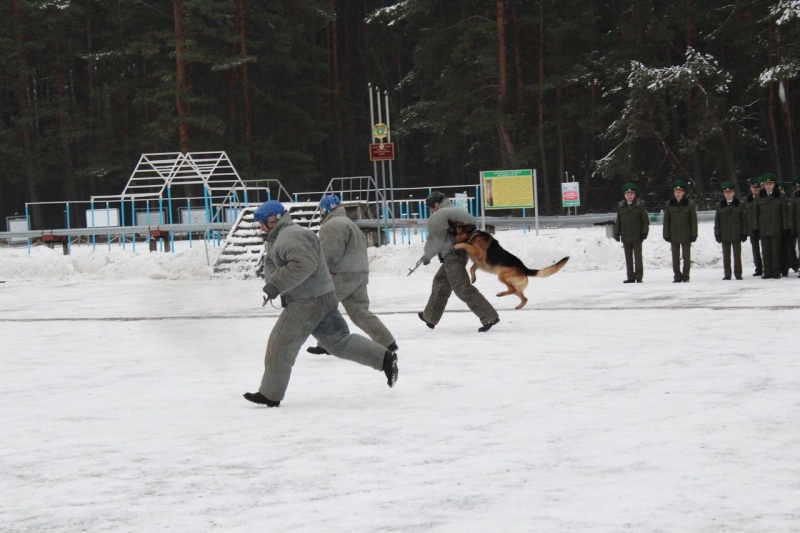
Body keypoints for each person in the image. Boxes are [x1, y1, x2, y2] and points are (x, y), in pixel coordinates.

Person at [243, 200, 398, 408]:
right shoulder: (276, 239)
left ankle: (270, 394)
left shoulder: (291, 235)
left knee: (280, 344)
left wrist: (277, 284)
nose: (261, 227)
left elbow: (304, 264)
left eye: (263, 222)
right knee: (338, 342)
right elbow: (271, 262)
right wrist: (273, 282)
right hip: (321, 296)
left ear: (275, 219)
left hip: (307, 301)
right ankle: (385, 359)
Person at [306, 194, 397, 355]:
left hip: (342, 275)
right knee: (359, 312)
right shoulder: (350, 224)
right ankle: (387, 342)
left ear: (325, 210)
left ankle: (328, 343)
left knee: (322, 307)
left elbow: (329, 255)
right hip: (359, 273)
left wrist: (316, 272)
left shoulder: (332, 225)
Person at [417, 191, 500, 332]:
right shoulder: (459, 211)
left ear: (436, 204)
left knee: (462, 287)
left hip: (452, 255)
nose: (431, 210)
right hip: (462, 252)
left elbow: (435, 240)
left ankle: (489, 316)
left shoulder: (438, 216)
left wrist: (427, 256)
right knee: (440, 282)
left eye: (431, 207)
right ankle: (430, 317)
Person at [753, 173, 788, 280]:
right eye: (767, 184)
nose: (768, 186)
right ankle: (767, 272)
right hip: (763, 228)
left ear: (774, 184)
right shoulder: (759, 197)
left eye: (771, 184)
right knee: (766, 251)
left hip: (776, 228)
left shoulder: (780, 196)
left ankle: (776, 271)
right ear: (764, 184)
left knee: (776, 251)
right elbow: (755, 213)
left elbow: (784, 213)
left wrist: (785, 227)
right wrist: (755, 227)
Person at [662, 180, 698, 282]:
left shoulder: (689, 205)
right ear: (674, 193)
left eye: (680, 192)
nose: (678, 194)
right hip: (674, 234)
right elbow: (666, 221)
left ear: (683, 193)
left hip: (686, 234)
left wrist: (693, 234)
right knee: (675, 257)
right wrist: (666, 234)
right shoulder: (669, 205)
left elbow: (693, 221)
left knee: (686, 257)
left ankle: (686, 276)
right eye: (676, 192)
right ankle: (677, 276)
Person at [614, 182, 649, 283]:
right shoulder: (621, 206)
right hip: (626, 235)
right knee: (628, 257)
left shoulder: (640, 205)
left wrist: (644, 232)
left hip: (637, 235)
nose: (629, 196)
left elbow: (645, 221)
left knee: (638, 257)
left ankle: (638, 276)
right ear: (624, 195)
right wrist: (617, 233)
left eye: (631, 194)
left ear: (634, 195)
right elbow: (618, 220)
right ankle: (630, 277)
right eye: (627, 194)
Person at [714, 181, 748, 280]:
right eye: (726, 192)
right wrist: (717, 234)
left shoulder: (740, 205)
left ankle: (738, 274)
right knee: (726, 256)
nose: (728, 194)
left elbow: (744, 221)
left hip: (736, 234)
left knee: (737, 256)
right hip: (725, 234)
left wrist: (744, 233)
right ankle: (727, 274)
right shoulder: (720, 205)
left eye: (730, 192)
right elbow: (717, 222)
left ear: (733, 193)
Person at [744, 176, 763, 276]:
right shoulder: (747, 200)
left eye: (757, 187)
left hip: (763, 227)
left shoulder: (763, 198)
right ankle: (758, 268)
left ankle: (768, 267)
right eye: (753, 187)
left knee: (766, 249)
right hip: (752, 228)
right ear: (750, 188)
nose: (755, 189)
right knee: (755, 250)